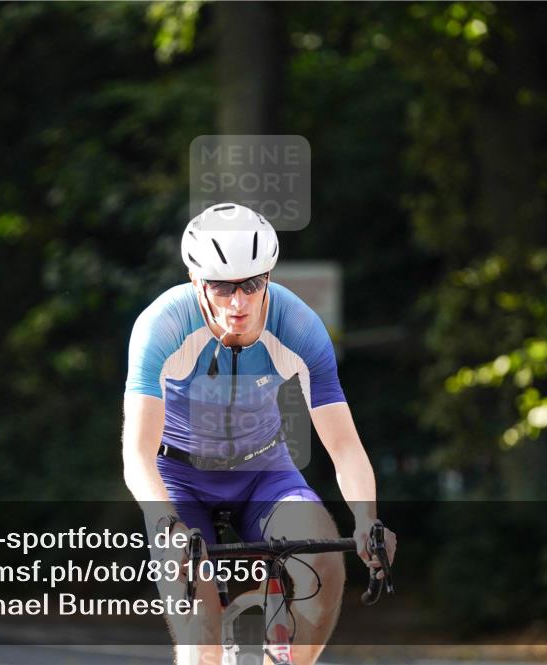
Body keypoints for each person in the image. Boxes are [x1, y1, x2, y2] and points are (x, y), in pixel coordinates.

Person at [122, 202, 396, 665]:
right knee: (201, 634)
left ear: (267, 277)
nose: (239, 302)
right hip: (179, 478)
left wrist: (367, 519)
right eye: (222, 287)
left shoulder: (299, 326)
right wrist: (165, 524)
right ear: (196, 282)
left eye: (251, 284)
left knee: (325, 563)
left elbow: (344, 445)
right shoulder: (161, 327)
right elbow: (137, 453)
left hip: (264, 471)